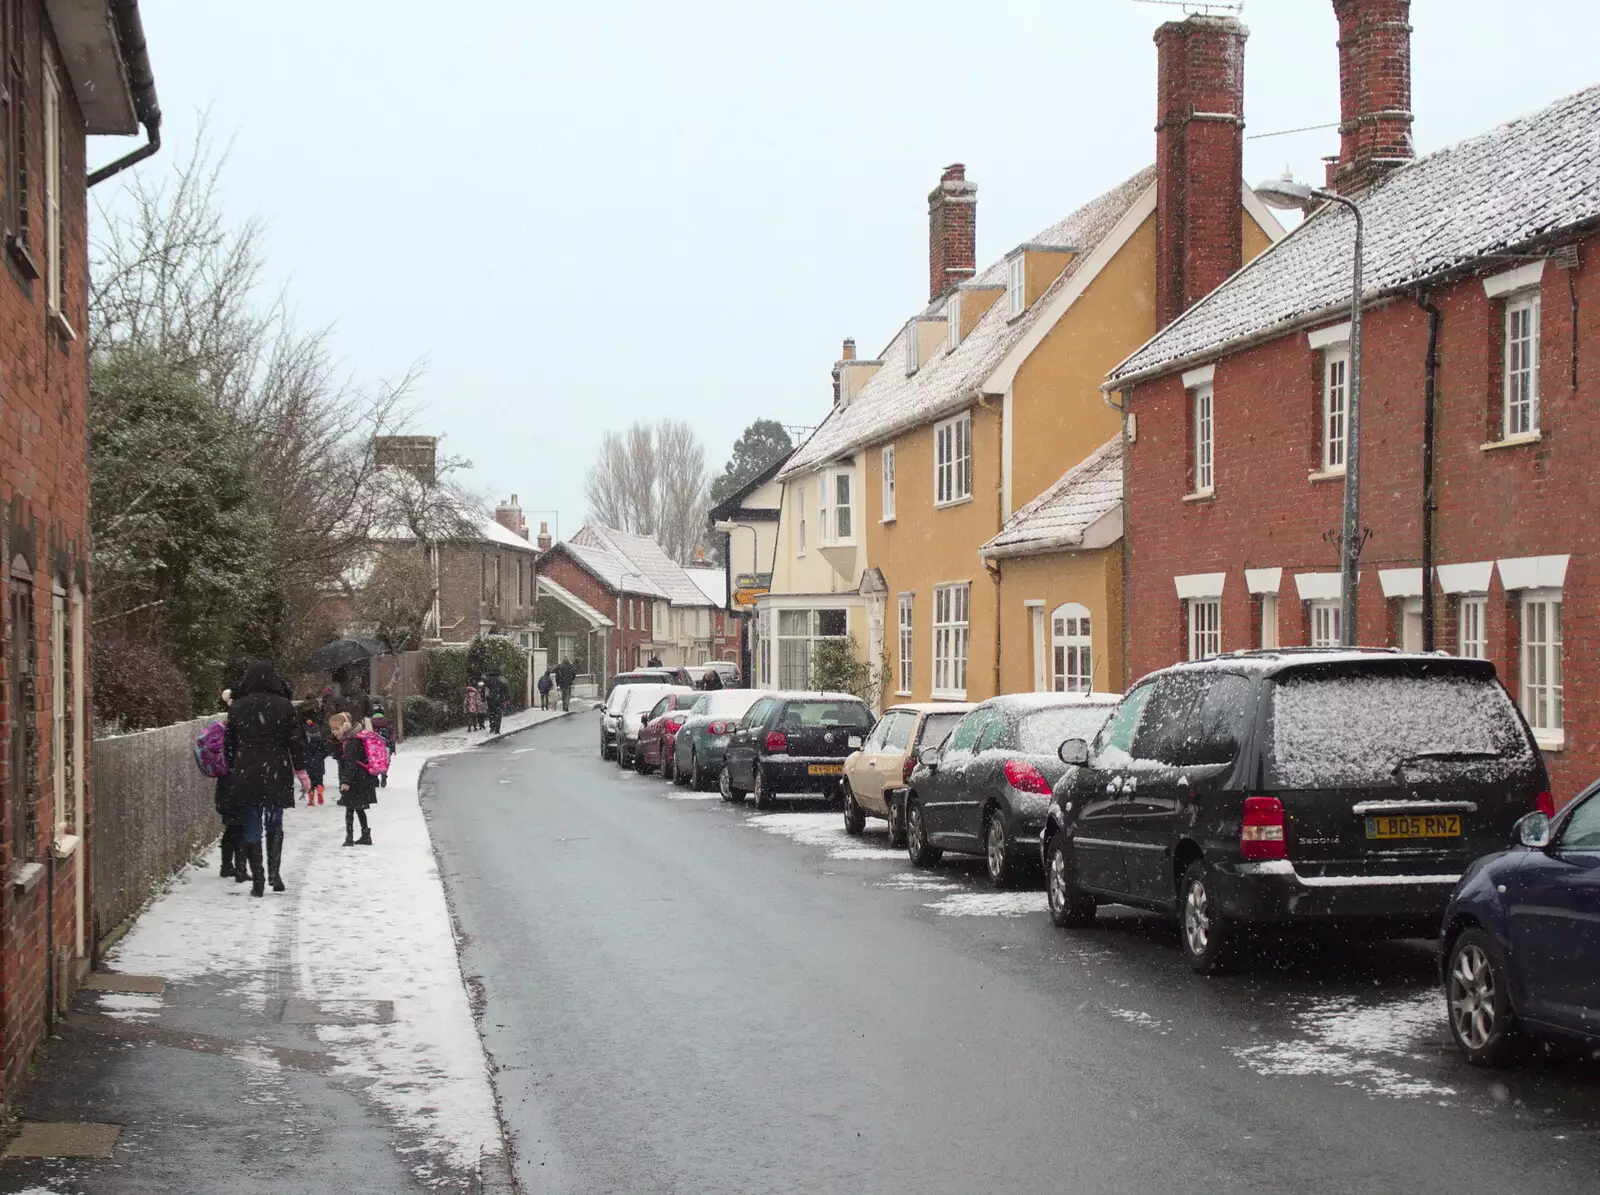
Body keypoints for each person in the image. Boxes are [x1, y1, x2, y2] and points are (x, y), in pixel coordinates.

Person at [225, 661, 308, 897]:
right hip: (276, 769)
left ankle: (258, 880)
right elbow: (295, 741)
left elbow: (228, 745)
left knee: (251, 825)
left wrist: (234, 768)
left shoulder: (238, 707)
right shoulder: (284, 706)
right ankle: (275, 873)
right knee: (274, 822)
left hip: (246, 771)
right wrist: (301, 772)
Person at [331, 712, 377, 845]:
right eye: (333, 729)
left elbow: (350, 763)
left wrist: (346, 781)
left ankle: (350, 837)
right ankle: (364, 835)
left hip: (356, 780)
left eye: (337, 729)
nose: (334, 732)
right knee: (358, 808)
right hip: (360, 778)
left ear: (345, 727)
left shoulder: (351, 742)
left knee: (350, 809)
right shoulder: (352, 739)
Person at [297, 700, 327, 805]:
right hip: (318, 751)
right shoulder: (317, 718)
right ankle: (320, 790)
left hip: (306, 751)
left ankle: (311, 799)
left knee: (310, 776)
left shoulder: (301, 720)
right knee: (319, 776)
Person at [484, 669, 508, 735]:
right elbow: (506, 689)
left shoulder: (487, 679)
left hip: (490, 698)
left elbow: (484, 689)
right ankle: (497, 729)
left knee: (491, 712)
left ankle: (492, 726)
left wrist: (484, 697)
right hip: (499, 698)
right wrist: (507, 698)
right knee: (498, 713)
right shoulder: (501, 679)